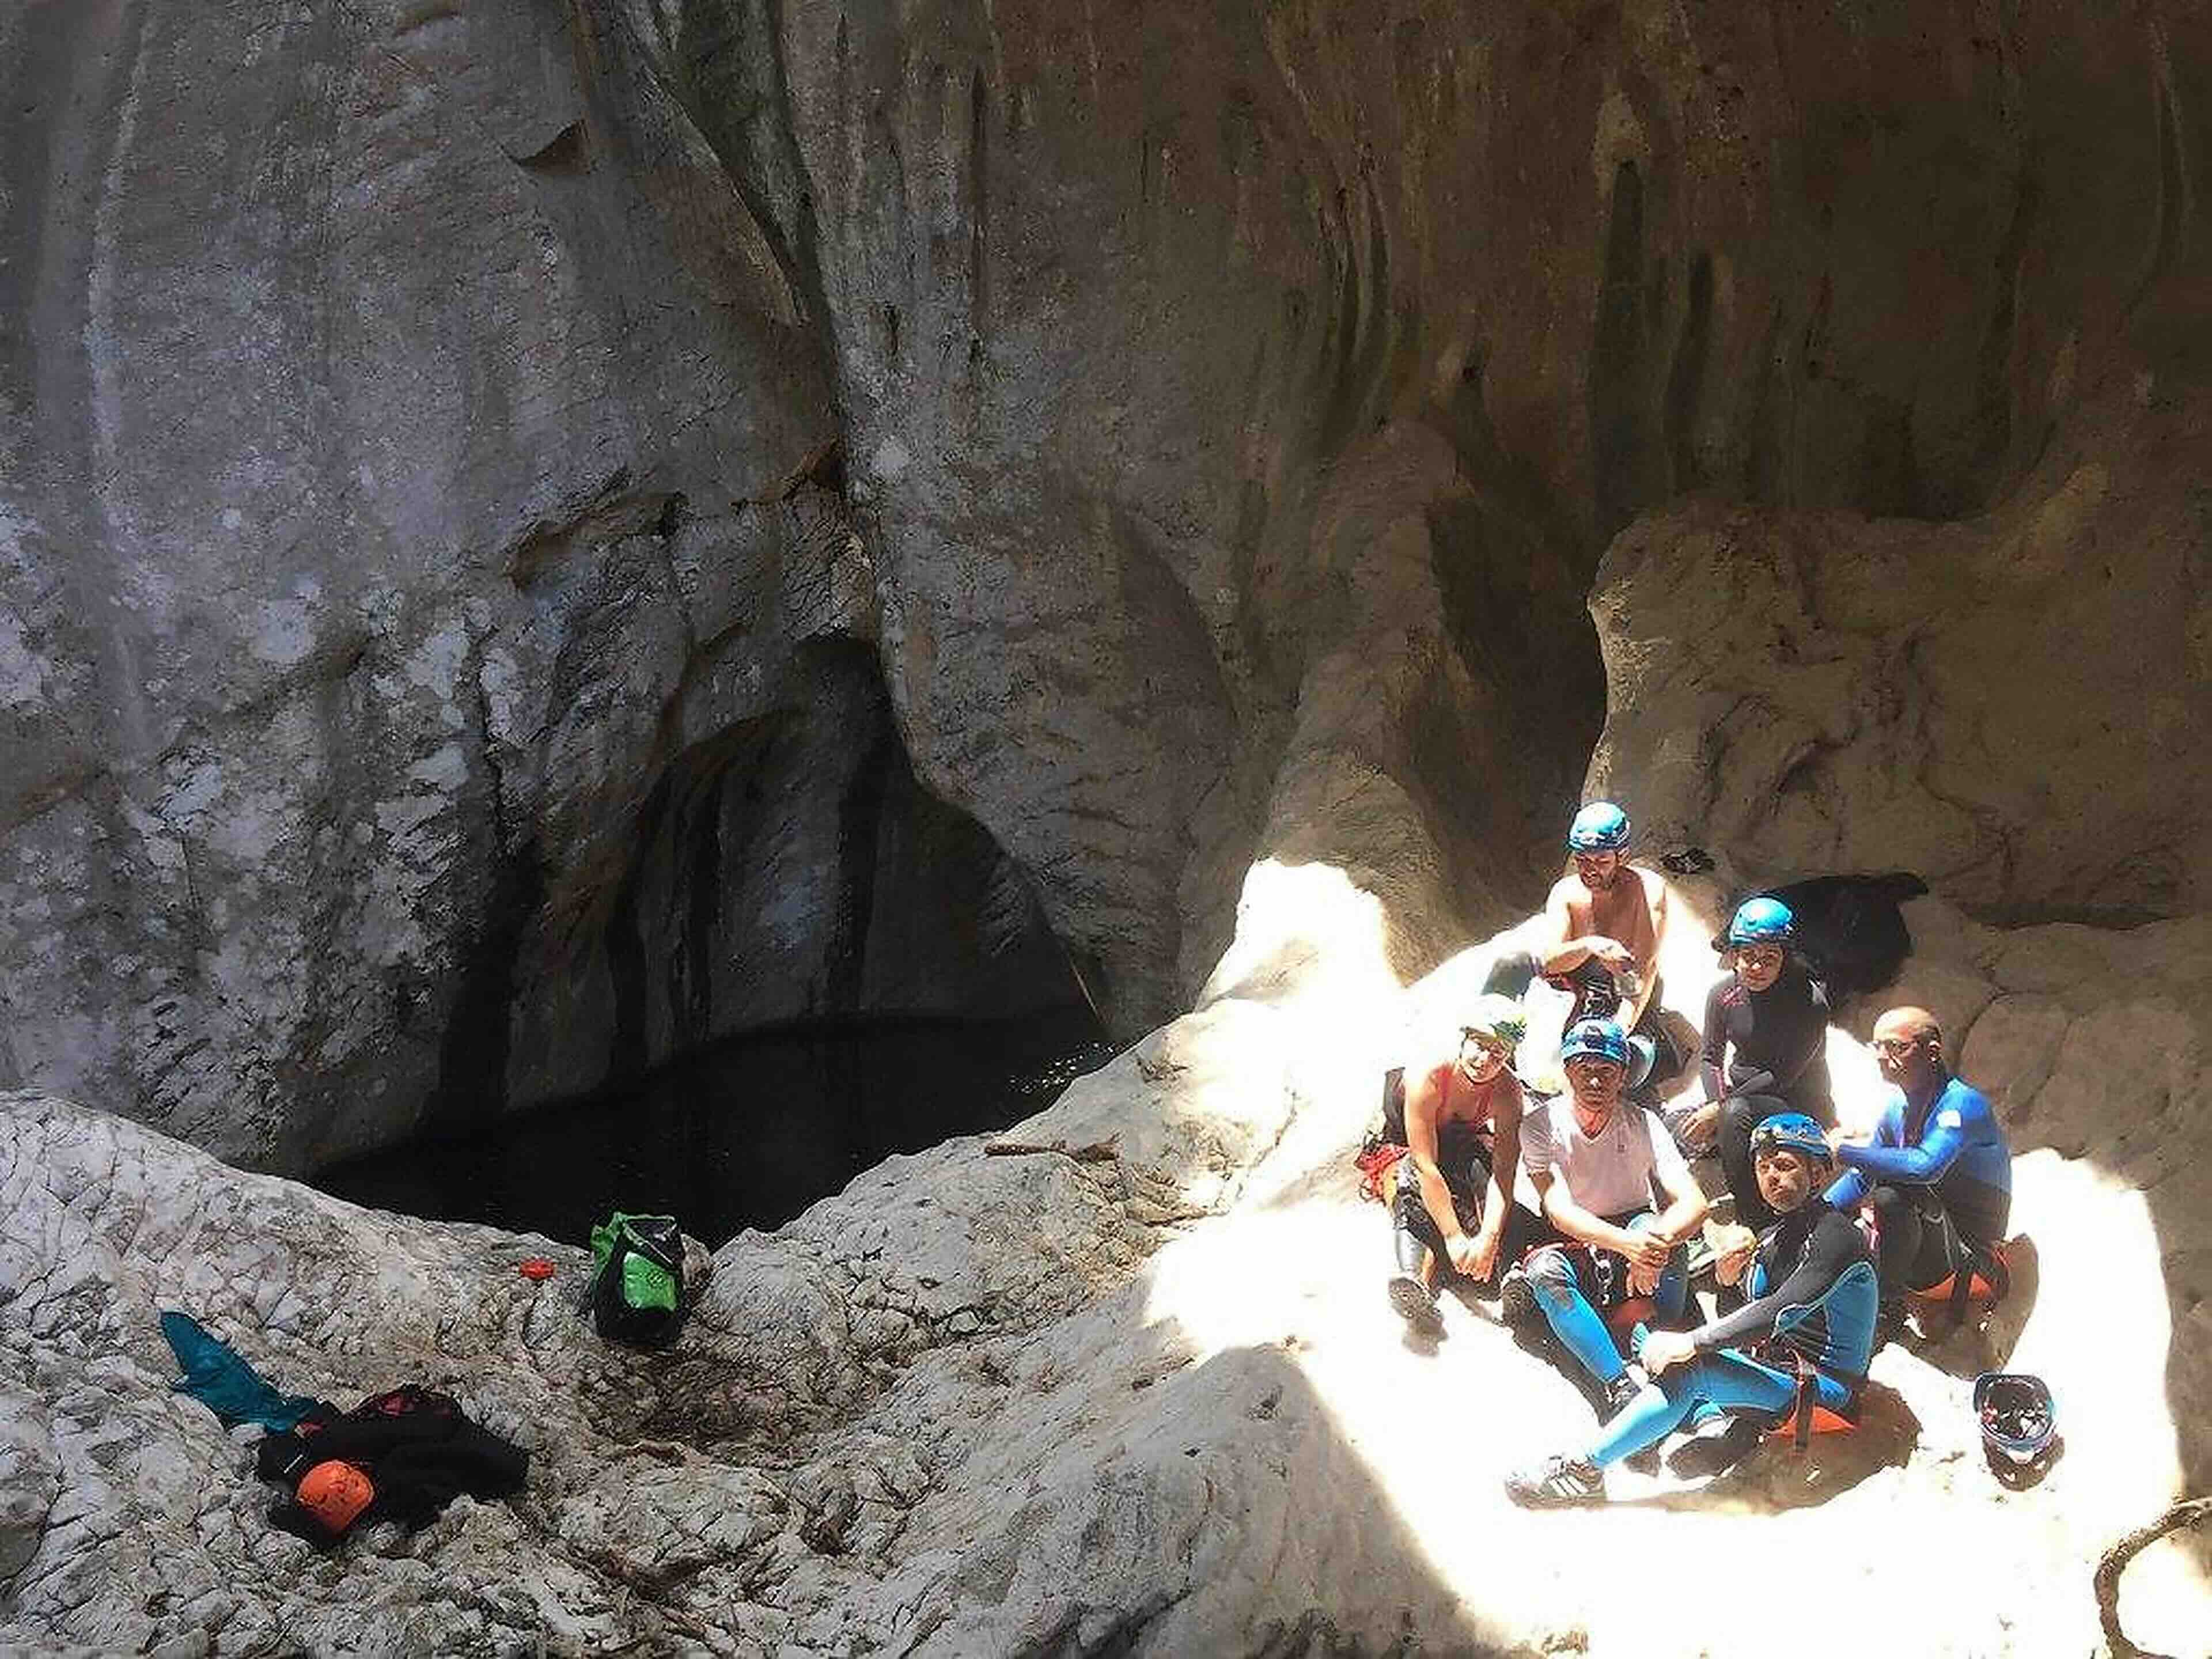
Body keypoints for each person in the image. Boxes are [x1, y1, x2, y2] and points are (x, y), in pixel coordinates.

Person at [1506, 1112, 1878, 1505]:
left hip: (1827, 1389)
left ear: (1819, 1174)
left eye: (1785, 1166)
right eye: (1763, 1166)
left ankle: (1586, 1468)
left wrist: (1695, 1343)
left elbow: (1780, 1313)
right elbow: (1744, 1310)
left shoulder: (1838, 1239)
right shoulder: (1774, 1238)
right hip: (1782, 1370)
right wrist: (1728, 1280)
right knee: (1643, 1330)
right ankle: (1688, 1422)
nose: (1771, 1177)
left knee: (1691, 1366)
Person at [1502, 1018, 1709, 1412]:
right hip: (1578, 1238)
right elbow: (1559, 1210)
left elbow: (1693, 1202)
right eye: (1585, 1070)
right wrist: (1631, 1246)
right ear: (1568, 1071)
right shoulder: (1541, 1126)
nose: (1595, 1082)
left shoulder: (1643, 1124)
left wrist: (1654, 1243)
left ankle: (1661, 1348)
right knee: (1546, 1273)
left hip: (1634, 1228)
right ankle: (1618, 1383)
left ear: (1623, 1076)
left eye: (1606, 1071)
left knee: (1655, 1229)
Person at [1486, 802, 1679, 1096]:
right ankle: (1487, 1043)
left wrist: (1619, 1031)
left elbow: (1642, 973)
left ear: (1622, 856)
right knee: (1510, 964)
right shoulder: (1568, 892)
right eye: (1582, 860)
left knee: (1630, 1065)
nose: (1590, 870)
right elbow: (1550, 962)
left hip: (1622, 990)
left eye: (1601, 861)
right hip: (1572, 984)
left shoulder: (1649, 892)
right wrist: (1592, 945)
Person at [1386, 997, 1555, 1329]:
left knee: (1482, 1174)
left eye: (1498, 1054)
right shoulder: (1429, 1076)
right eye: (1480, 1045)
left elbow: (1505, 1174)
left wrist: (1488, 1239)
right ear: (1464, 1038)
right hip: (1409, 1143)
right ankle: (1414, 1278)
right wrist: (1454, 1238)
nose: (1484, 1060)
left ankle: (1511, 1272)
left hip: (1463, 1143)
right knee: (1407, 1184)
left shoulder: (1507, 1092)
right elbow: (1425, 1165)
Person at [1825, 1006, 2012, 1305]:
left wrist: (1844, 1151)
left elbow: (1925, 1168)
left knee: (1893, 1196)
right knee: (1834, 1221)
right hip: (1930, 1248)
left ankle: (1886, 1307)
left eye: (1896, 1046)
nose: (1883, 1055)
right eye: (1878, 1046)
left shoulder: (1963, 1104)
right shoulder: (1897, 1108)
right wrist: (1815, 1213)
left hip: (1971, 1263)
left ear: (1932, 1052)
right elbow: (1862, 1178)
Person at [1677, 896, 1835, 1228]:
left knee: (1735, 1116)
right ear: (1734, 956)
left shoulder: (1810, 1002)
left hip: (1796, 1097)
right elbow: (1710, 1058)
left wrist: (1722, 1109)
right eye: (1748, 957)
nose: (1756, 968)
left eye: (1768, 959)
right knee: (1682, 1128)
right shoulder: (1723, 995)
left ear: (1785, 959)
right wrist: (1715, 1102)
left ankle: (1754, 1219)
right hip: (1743, 1092)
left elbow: (1783, 1075)